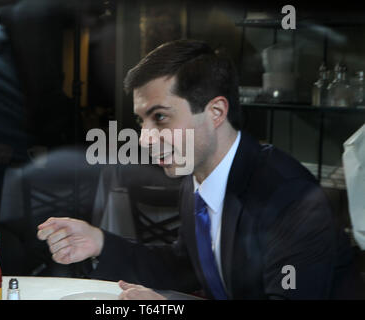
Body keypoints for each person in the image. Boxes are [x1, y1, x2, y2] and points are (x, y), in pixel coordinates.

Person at [37, 39, 365, 299]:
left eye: (161, 117)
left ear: (216, 111)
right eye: (142, 120)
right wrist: (100, 243)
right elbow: (188, 266)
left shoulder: (289, 194)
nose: (145, 139)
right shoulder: (198, 176)